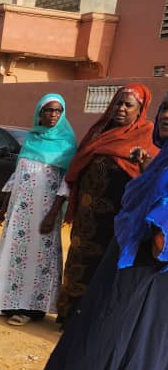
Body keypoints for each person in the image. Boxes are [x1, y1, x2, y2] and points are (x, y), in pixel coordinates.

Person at [0, 92, 168, 370]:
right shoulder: (159, 159)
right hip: (122, 265)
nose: (166, 118)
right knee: (129, 363)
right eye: (167, 110)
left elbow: (160, 232)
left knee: (101, 360)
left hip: (140, 277)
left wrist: (157, 226)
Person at [55, 83, 154, 325]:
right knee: (79, 263)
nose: (121, 108)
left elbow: (149, 178)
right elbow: (78, 163)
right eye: (118, 103)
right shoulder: (99, 132)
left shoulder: (147, 136)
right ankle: (69, 316)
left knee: (105, 268)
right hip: (87, 220)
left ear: (140, 110)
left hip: (117, 221)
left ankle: (90, 321)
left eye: (128, 105)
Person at [0, 94, 77, 325]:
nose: (53, 115)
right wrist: (4, 205)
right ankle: (7, 301)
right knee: (15, 254)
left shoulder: (66, 143)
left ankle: (31, 308)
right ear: (39, 112)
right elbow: (18, 174)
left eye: (58, 110)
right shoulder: (31, 139)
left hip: (44, 214)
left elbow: (67, 183)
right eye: (48, 110)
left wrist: (53, 214)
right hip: (19, 214)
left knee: (38, 259)